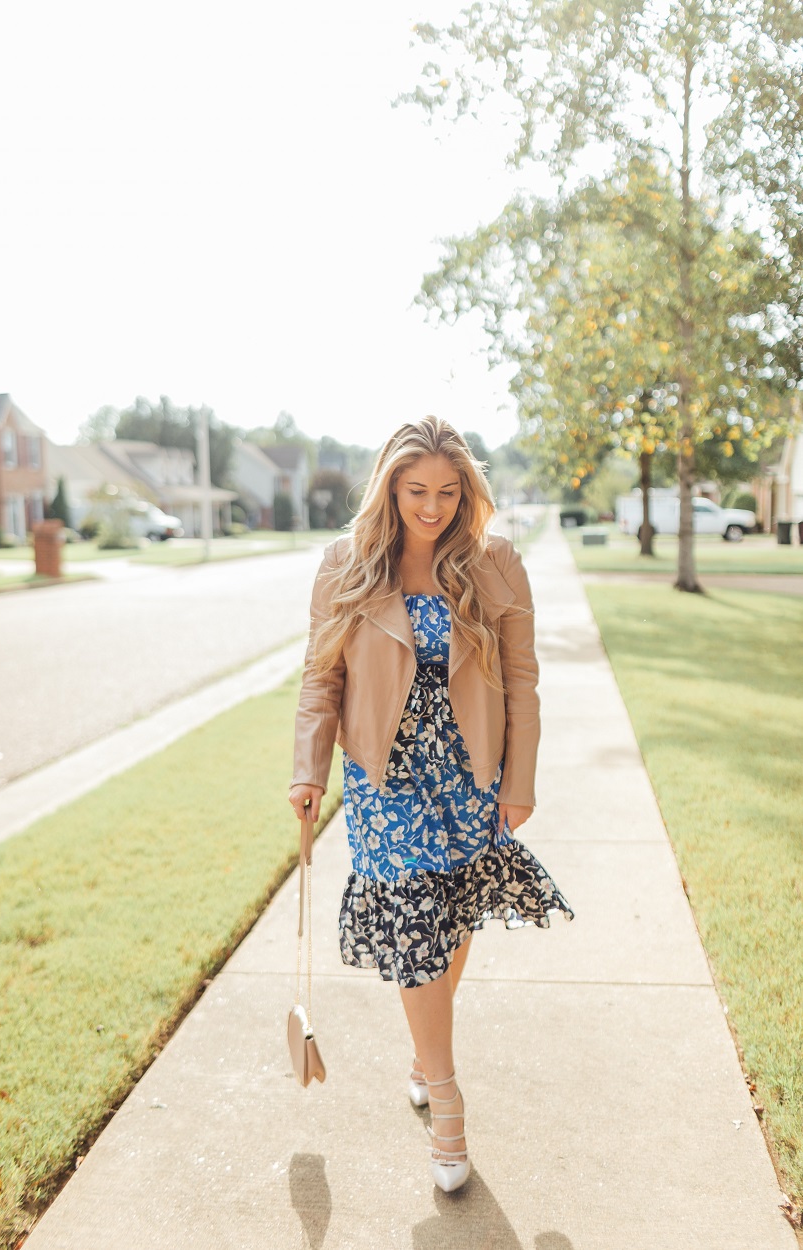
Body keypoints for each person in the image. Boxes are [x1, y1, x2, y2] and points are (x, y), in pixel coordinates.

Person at [289, 416, 573, 1193]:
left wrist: (520, 780)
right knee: (416, 926)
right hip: (386, 784)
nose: (432, 506)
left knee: (452, 920)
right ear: (389, 486)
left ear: (466, 492)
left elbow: (522, 680)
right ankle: (446, 1103)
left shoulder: (495, 562)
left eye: (449, 492)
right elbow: (320, 681)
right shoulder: (345, 565)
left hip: (470, 775)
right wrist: (307, 770)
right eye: (416, 490)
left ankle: (424, 1054)